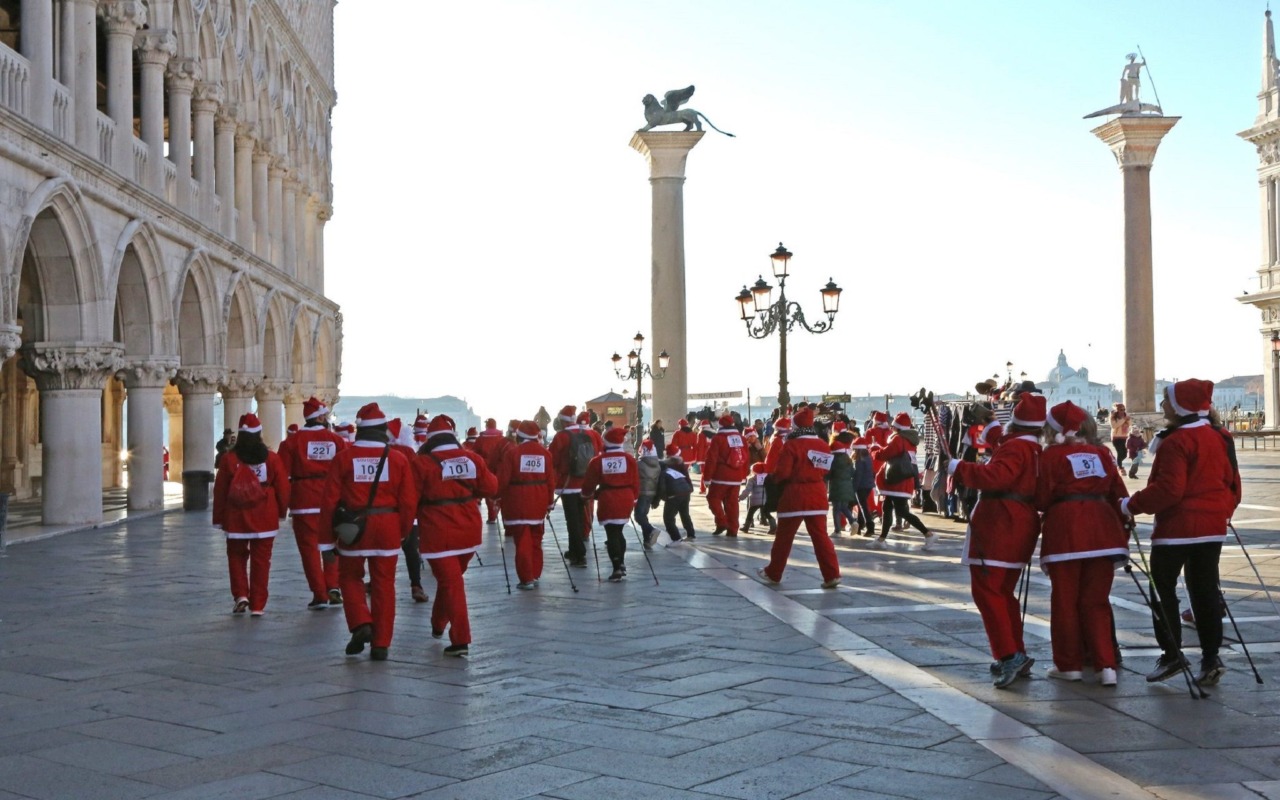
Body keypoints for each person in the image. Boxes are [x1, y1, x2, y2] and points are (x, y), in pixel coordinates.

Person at [1123, 379, 1241, 687]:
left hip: (1177, 528)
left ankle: (1172, 652)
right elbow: (1233, 484)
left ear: (1178, 406)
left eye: (1165, 401)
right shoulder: (1220, 435)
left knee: (1162, 588)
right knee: (1204, 591)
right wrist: (1222, 511)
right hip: (1212, 527)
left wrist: (1130, 505)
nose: (1162, 407)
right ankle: (1211, 656)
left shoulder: (1175, 441)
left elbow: (1168, 490)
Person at [948, 394, 1043, 689]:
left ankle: (1009, 654)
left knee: (988, 592)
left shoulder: (1014, 447)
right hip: (1020, 521)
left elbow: (996, 476)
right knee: (1002, 592)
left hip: (1000, 523)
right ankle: (1014, 651)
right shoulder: (1035, 448)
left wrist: (959, 468)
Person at [1036, 400, 1129, 687]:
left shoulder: (1051, 456)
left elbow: (1041, 497)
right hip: (1103, 531)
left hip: (1066, 532)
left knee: (1064, 601)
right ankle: (1106, 665)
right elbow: (1119, 493)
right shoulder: (1102, 453)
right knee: (1097, 602)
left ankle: (1069, 665)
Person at [318, 403, 418, 661]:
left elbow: (329, 501)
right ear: (384, 430)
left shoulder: (344, 458)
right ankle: (382, 643)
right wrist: (404, 532)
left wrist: (326, 542)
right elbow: (408, 502)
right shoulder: (398, 459)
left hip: (353, 528)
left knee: (350, 577)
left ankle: (362, 623)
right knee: (384, 584)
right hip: (388, 528)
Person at [417, 414, 497, 656]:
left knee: (451, 582)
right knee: (450, 580)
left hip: (437, 531)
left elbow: (410, 498)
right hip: (469, 532)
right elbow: (491, 487)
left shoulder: (422, 463)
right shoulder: (472, 459)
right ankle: (438, 623)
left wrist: (403, 531)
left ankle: (460, 639)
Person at [212, 413, 290, 616]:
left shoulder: (229, 460)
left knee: (236, 556)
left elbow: (220, 491)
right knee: (262, 560)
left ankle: (240, 595)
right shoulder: (272, 459)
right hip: (265, 516)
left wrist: (218, 518)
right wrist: (282, 512)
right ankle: (258, 605)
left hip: (236, 516)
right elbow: (282, 488)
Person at [757, 407, 842, 588]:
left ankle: (774, 572)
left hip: (794, 496)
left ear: (795, 426)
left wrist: (774, 478)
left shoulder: (791, 445)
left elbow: (783, 473)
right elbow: (826, 470)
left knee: (784, 537)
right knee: (821, 537)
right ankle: (832, 574)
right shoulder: (822, 444)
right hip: (817, 495)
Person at [276, 396, 348, 608]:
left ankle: (319, 593)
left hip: (303, 500)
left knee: (309, 549)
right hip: (331, 498)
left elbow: (283, 477)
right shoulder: (336, 441)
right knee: (332, 544)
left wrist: (283, 506)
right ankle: (334, 586)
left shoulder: (290, 442)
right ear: (321, 417)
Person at [495, 420, 555, 589]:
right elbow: (551, 481)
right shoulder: (545, 454)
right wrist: (549, 503)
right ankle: (535, 573)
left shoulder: (512, 453)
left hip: (516, 502)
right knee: (536, 540)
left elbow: (503, 480)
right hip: (538, 501)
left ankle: (526, 577)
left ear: (519, 436)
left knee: (522, 541)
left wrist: (496, 497)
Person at [582, 426, 640, 581]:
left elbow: (589, 483)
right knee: (619, 531)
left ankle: (616, 567)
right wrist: (634, 498)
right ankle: (621, 563)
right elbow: (636, 482)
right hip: (626, 496)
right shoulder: (629, 459)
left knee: (612, 533)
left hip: (608, 497)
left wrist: (585, 495)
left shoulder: (598, 461)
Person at [871, 412, 935, 550]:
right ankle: (881, 539)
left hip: (896, 481)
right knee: (887, 507)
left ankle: (928, 534)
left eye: (894, 425)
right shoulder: (911, 441)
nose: (892, 428)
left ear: (897, 427)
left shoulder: (899, 439)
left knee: (901, 511)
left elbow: (886, 454)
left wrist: (875, 451)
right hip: (904, 480)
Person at [549, 405, 600, 568]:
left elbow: (553, 461)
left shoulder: (561, 436)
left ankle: (578, 553)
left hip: (568, 484)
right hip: (587, 483)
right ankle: (575, 549)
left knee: (572, 520)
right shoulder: (591, 434)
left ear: (562, 421)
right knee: (581, 516)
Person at [386, 418, 428, 603]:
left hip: (386, 509)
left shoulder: (384, 453)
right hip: (410, 508)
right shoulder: (411, 454)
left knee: (385, 551)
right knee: (412, 550)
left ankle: (378, 582)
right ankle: (416, 585)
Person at [702, 414, 750, 536]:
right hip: (737, 475)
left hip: (721, 475)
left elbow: (711, 459)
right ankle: (733, 528)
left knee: (713, 498)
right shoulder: (741, 438)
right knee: (732, 503)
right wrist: (744, 475)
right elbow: (746, 458)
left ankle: (722, 522)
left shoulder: (718, 438)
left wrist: (707, 478)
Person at [656, 444, 696, 543]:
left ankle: (676, 538)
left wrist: (662, 497)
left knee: (668, 517)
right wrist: (690, 488)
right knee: (685, 513)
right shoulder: (681, 463)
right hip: (685, 491)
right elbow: (687, 478)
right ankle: (691, 534)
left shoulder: (662, 465)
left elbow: (661, 484)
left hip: (673, 493)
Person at [472, 418, 506, 524]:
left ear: (487, 426)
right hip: (500, 468)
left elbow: (474, 454)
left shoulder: (481, 439)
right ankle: (502, 514)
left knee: (489, 490)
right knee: (501, 491)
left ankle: (492, 515)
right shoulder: (502, 438)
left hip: (486, 467)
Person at [826, 431, 857, 534]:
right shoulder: (848, 459)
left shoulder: (833, 460)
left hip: (836, 486)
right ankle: (853, 521)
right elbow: (853, 473)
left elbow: (829, 474)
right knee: (843, 507)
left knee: (836, 509)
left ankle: (837, 530)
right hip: (847, 487)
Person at [635, 438, 662, 547]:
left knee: (639, 517)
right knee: (643, 515)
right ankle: (647, 540)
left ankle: (651, 530)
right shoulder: (658, 464)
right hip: (652, 493)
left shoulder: (639, 464)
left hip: (641, 493)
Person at [851, 437, 876, 535]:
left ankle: (870, 526)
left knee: (863, 506)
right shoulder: (868, 457)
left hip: (861, 486)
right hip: (869, 485)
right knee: (862, 505)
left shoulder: (859, 460)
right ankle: (860, 525)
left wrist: (853, 489)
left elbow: (858, 476)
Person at [740, 462, 771, 533]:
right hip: (765, 500)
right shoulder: (768, 478)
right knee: (768, 514)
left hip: (754, 501)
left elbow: (747, 490)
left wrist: (741, 497)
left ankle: (746, 527)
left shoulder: (752, 479)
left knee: (750, 514)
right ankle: (773, 527)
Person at [1109, 402, 1131, 470]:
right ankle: (1120, 467)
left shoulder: (1125, 415)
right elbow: (1114, 426)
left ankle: (1117, 463)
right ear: (1117, 410)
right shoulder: (1113, 417)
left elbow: (1129, 425)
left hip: (1125, 437)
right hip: (1116, 437)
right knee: (1120, 452)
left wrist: (1128, 419)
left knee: (1124, 454)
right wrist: (1123, 419)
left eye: (1124, 409)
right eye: (1121, 409)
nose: (1123, 411)